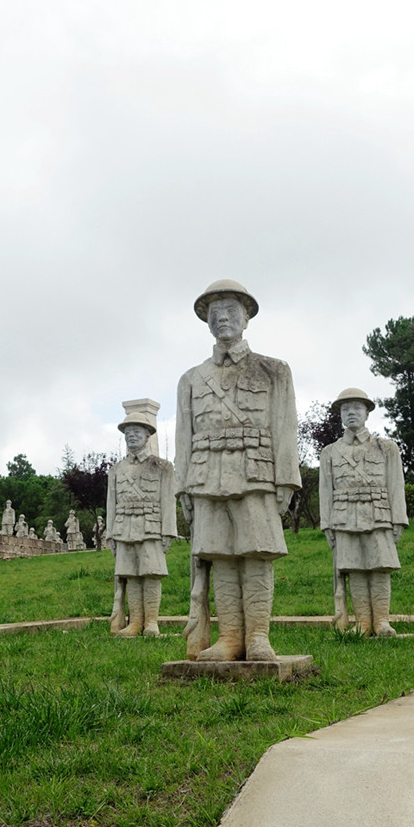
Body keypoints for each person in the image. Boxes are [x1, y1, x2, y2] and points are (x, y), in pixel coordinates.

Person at [176, 279, 299, 661]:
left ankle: (259, 636)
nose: (222, 319)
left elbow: (284, 426)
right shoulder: (191, 379)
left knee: (255, 553)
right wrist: (182, 487)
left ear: (247, 318)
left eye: (231, 311)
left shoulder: (273, 370)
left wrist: (286, 480)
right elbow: (183, 435)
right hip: (206, 475)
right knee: (222, 556)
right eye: (215, 314)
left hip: (257, 472)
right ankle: (230, 638)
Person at [319, 388, 407, 637]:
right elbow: (325, 491)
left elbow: (395, 486)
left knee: (379, 567)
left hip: (378, 515)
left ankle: (382, 621)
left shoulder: (387, 448)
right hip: (344, 517)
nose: (351, 414)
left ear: (367, 413)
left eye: (356, 408)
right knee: (355, 568)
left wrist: (398, 519)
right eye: (345, 410)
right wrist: (327, 525)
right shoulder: (329, 452)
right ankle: (364, 624)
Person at [105, 412, 176, 637]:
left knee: (151, 573)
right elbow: (111, 504)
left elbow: (168, 500)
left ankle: (152, 622)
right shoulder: (116, 470)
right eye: (127, 433)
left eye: (136, 431)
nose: (131, 436)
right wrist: (111, 535)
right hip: (123, 527)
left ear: (147, 434)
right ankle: (135, 623)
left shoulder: (163, 467)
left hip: (152, 526)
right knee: (132, 575)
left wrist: (168, 532)